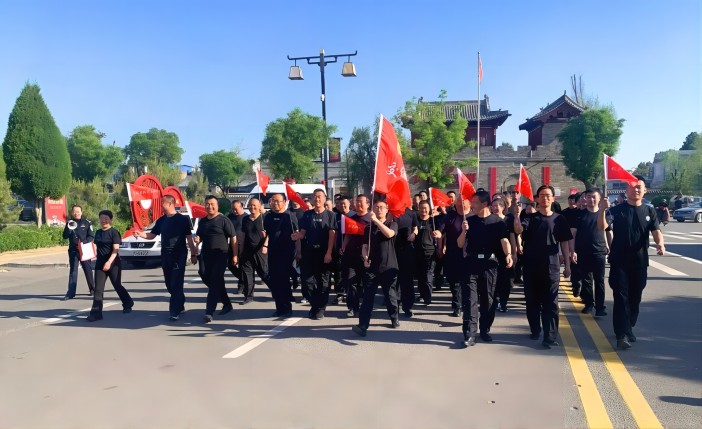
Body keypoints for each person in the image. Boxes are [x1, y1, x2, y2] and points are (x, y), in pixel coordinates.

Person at [598, 176, 665, 350]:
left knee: (635, 298)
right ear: (626, 190)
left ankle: (628, 327)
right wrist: (602, 210)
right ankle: (622, 334)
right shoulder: (616, 210)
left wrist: (660, 244)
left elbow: (656, 230)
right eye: (632, 187)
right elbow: (602, 227)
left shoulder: (649, 211)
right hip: (619, 261)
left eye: (639, 187)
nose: (635, 189)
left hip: (640, 261)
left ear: (645, 190)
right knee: (621, 297)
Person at [514, 185, 572, 349]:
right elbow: (518, 230)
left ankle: (550, 336)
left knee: (551, 302)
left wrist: (567, 265)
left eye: (548, 195)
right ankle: (535, 329)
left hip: (551, 266)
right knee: (532, 301)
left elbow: (565, 243)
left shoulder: (559, 219)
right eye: (542, 195)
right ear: (537, 199)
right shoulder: (530, 218)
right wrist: (517, 215)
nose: (545, 198)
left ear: (553, 198)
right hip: (531, 265)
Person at [457, 191, 512, 347]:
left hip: (489, 264)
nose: (472, 205)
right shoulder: (469, 221)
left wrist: (508, 254)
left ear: (484, 204)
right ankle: (470, 334)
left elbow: (504, 240)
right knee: (470, 300)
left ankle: (485, 329)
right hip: (471, 263)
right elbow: (460, 244)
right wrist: (464, 231)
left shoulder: (497, 222)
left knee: (488, 300)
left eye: (475, 203)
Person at [134, 195, 198, 321]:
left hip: (179, 254)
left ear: (170, 204)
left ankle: (174, 311)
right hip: (165, 254)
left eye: (162, 203)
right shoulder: (161, 220)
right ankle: (180, 302)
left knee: (176, 282)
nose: (161, 205)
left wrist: (193, 254)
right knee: (169, 284)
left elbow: (189, 238)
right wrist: (140, 234)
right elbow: (152, 235)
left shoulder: (182, 219)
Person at [352, 200, 400, 336]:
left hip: (388, 266)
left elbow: (389, 234)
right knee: (368, 297)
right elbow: (364, 246)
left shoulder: (392, 224)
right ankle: (362, 325)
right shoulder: (368, 228)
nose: (379, 209)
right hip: (372, 267)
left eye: (382, 207)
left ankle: (394, 317)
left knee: (390, 296)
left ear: (387, 210)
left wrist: (376, 221)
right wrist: (365, 258)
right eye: (376, 207)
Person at [295, 189, 337, 320]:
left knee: (323, 282)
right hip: (309, 252)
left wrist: (329, 253)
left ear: (324, 199)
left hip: (324, 253)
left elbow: (332, 235)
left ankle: (320, 308)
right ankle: (315, 305)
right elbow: (303, 233)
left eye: (319, 196)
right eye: (315, 196)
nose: (317, 199)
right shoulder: (307, 215)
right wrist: (297, 236)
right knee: (307, 282)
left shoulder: (331, 215)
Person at [86, 210, 133, 322]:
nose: (103, 220)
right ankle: (96, 313)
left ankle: (128, 303)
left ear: (110, 220)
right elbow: (96, 247)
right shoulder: (98, 232)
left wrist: (109, 262)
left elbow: (116, 250)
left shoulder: (114, 232)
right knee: (98, 289)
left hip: (113, 263)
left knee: (117, 285)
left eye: (106, 218)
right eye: (101, 218)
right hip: (100, 264)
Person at [571, 189, 610, 317]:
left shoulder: (604, 214)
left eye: (594, 197)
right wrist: (572, 250)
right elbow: (573, 234)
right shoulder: (579, 215)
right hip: (583, 252)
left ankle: (600, 307)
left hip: (599, 251)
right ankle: (589, 304)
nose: (591, 199)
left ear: (599, 198)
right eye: (588, 197)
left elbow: (606, 230)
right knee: (587, 280)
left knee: (599, 280)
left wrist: (609, 246)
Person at [196, 195, 236, 323]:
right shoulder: (203, 221)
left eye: (212, 204)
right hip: (206, 254)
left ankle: (209, 312)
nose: (210, 206)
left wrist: (235, 255)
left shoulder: (224, 220)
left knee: (214, 281)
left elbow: (233, 237)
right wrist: (198, 240)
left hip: (220, 254)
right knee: (203, 274)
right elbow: (200, 236)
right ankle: (227, 303)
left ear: (217, 205)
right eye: (207, 204)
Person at [264, 193, 299, 317]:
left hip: (286, 253)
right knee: (275, 281)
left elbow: (297, 235)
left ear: (284, 202)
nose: (275, 203)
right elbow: (267, 233)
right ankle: (279, 308)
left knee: (284, 281)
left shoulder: (289, 216)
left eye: (278, 201)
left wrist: (298, 251)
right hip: (273, 252)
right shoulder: (268, 217)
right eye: (273, 201)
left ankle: (287, 308)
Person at [341, 194, 371, 317]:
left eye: (361, 201)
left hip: (366, 257)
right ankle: (353, 307)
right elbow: (347, 235)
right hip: (351, 255)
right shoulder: (351, 218)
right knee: (351, 281)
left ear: (368, 204)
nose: (358, 204)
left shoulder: (371, 219)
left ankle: (366, 307)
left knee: (365, 283)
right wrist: (343, 246)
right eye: (357, 201)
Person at [437, 196, 468, 317]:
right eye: (459, 201)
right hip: (452, 254)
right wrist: (440, 247)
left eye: (463, 201)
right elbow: (441, 231)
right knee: (454, 282)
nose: (461, 204)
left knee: (467, 282)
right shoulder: (449, 216)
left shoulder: (473, 216)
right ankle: (457, 306)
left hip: (469, 255)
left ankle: (467, 305)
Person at [238, 198, 270, 304]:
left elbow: (269, 234)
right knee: (247, 274)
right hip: (247, 250)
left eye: (254, 205)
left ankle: (277, 291)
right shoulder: (245, 219)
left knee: (264, 273)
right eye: (250, 205)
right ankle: (248, 296)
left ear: (260, 206)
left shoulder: (264, 218)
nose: (252, 207)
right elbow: (243, 235)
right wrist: (240, 250)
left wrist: (265, 245)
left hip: (260, 250)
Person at [62, 205, 96, 300]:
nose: (76, 213)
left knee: (88, 269)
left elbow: (91, 236)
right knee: (73, 271)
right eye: (74, 212)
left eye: (78, 211)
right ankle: (70, 293)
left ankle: (93, 290)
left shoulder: (87, 223)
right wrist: (69, 229)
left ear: (81, 212)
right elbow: (64, 236)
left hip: (84, 249)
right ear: (72, 212)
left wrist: (84, 243)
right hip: (73, 250)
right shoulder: (69, 223)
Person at [490, 198, 516, 312]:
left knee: (507, 280)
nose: (495, 208)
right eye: (493, 206)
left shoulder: (508, 220)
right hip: (492, 253)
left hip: (506, 253)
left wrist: (514, 252)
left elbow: (512, 237)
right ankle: (495, 301)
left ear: (503, 207)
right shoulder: (489, 220)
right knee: (494, 279)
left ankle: (503, 302)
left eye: (497, 206)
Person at [414, 200, 441, 305]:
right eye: (421, 208)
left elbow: (440, 233)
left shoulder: (433, 221)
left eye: (425, 208)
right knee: (420, 275)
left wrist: (438, 235)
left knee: (428, 275)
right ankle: (422, 294)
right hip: (416, 251)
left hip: (429, 251)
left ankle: (428, 297)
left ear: (429, 209)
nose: (423, 210)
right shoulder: (415, 220)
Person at [395, 207, 418, 317]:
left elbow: (415, 228)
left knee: (407, 280)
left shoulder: (411, 213)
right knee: (394, 280)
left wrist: (414, 234)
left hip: (407, 249)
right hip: (393, 249)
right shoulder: (391, 211)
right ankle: (394, 306)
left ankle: (407, 306)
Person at [331, 195, 352, 305]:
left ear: (349, 204)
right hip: (338, 249)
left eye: (344, 204)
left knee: (350, 273)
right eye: (340, 204)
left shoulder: (354, 216)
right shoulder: (335, 217)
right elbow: (333, 233)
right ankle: (339, 293)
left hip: (352, 250)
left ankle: (349, 294)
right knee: (338, 273)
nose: (342, 206)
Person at [561, 193, 582, 297]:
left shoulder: (586, 213)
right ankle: (576, 284)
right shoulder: (566, 212)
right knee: (575, 265)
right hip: (571, 241)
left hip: (585, 244)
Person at [227, 200, 246, 293]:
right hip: (231, 245)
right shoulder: (229, 217)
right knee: (230, 264)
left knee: (242, 266)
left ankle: (241, 285)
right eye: (233, 209)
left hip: (243, 245)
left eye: (236, 209)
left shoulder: (246, 217)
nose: (234, 211)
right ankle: (244, 279)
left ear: (241, 206)